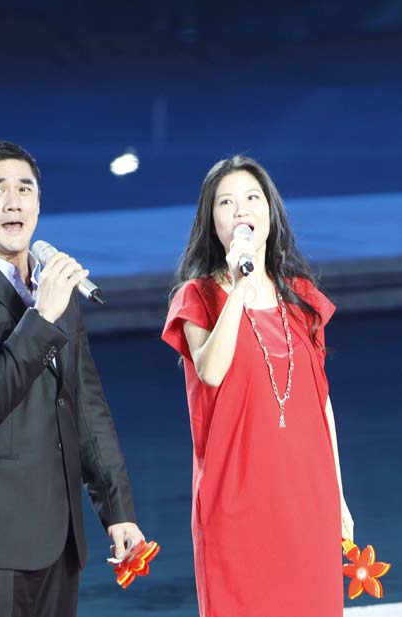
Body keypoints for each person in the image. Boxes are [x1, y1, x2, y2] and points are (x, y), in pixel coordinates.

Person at [0, 141, 144, 617]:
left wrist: (118, 511)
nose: (13, 202)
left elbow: (85, 406)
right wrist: (42, 316)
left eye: (25, 189)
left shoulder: (54, 290)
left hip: (59, 538)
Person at [161, 155, 352, 616]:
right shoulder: (197, 297)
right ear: (211, 221)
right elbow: (211, 371)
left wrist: (339, 497)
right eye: (226, 202)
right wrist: (239, 289)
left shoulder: (302, 297)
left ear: (270, 210)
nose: (241, 210)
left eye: (251, 198)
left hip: (309, 498)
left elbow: (321, 404)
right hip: (236, 501)